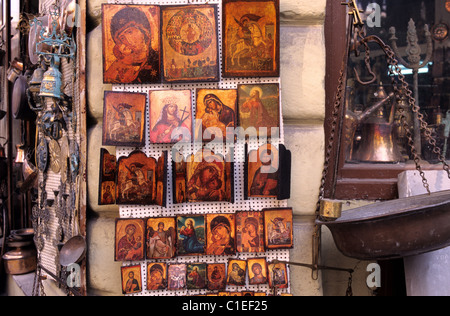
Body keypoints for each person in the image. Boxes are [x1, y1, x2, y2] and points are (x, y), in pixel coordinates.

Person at [105, 6, 160, 84]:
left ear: (144, 32)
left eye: (130, 32)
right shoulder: (118, 66)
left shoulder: (157, 61)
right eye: (122, 38)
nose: (128, 40)